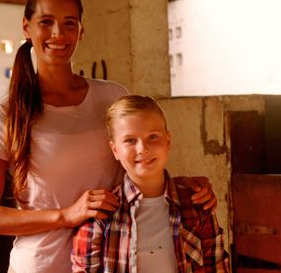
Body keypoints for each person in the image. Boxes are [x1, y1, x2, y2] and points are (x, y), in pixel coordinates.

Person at [0, 0, 216, 273]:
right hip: (42, 266)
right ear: (27, 27)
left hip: (110, 262)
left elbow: (135, 166)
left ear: (81, 30)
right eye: (46, 22)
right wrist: (66, 215)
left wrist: (186, 189)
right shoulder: (4, 114)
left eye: (69, 24)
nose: (58, 34)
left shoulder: (111, 97)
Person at [71, 95, 229, 273]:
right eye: (130, 140)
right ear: (115, 150)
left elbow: (217, 268)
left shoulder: (197, 204)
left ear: (168, 141)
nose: (143, 149)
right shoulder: (100, 215)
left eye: (153, 137)